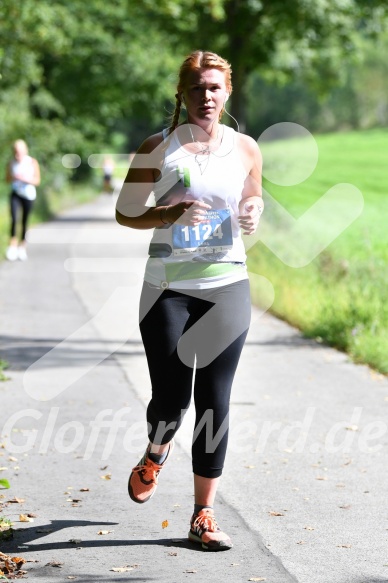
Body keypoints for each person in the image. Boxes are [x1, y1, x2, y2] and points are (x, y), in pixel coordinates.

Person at [116, 50, 263, 551]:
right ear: (183, 93)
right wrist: (163, 215)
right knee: (172, 401)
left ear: (227, 94)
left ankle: (203, 513)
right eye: (198, 88)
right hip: (167, 289)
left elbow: (252, 193)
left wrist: (253, 210)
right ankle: (156, 452)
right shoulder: (157, 147)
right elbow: (125, 213)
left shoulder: (245, 148)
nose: (207, 97)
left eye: (215, 88)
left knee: (214, 401)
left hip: (227, 286)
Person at [5, 139, 41, 261]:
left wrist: (27, 179)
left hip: (28, 195)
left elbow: (37, 180)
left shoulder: (32, 162)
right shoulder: (11, 163)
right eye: (16, 152)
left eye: (19, 152)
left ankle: (22, 247)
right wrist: (14, 177)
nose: (17, 154)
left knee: (24, 221)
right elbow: (7, 179)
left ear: (25, 151)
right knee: (14, 219)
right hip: (15, 193)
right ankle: (12, 246)